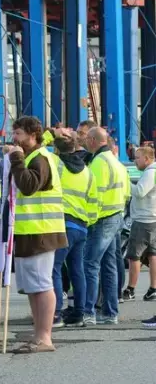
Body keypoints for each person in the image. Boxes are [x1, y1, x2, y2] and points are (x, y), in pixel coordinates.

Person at [7, 117, 67, 353]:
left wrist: (16, 160)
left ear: (33, 135)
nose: (15, 138)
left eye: (19, 133)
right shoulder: (34, 156)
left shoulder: (40, 158)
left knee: (41, 284)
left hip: (40, 230)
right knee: (33, 286)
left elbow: (29, 186)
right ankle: (39, 335)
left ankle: (44, 337)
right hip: (30, 229)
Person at [84, 127, 128, 325]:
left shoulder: (99, 163)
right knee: (108, 266)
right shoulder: (115, 161)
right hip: (116, 215)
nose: (85, 143)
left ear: (93, 140)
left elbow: (95, 195)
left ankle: (88, 312)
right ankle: (110, 313)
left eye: (86, 139)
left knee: (90, 264)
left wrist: (90, 219)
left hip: (101, 219)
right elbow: (126, 192)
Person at [51, 133, 96, 328]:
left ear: (58, 150)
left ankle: (56, 313)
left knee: (54, 268)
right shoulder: (88, 172)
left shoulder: (56, 164)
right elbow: (94, 202)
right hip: (82, 226)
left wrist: (50, 134)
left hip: (63, 223)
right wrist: (88, 222)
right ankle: (79, 312)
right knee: (77, 270)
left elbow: (37, 149)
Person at [123, 146, 156, 301]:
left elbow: (140, 192)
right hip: (152, 218)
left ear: (147, 159)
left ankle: (130, 289)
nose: (134, 161)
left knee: (134, 256)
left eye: (137, 158)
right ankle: (153, 288)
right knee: (152, 254)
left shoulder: (150, 173)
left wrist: (126, 183)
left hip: (143, 220)